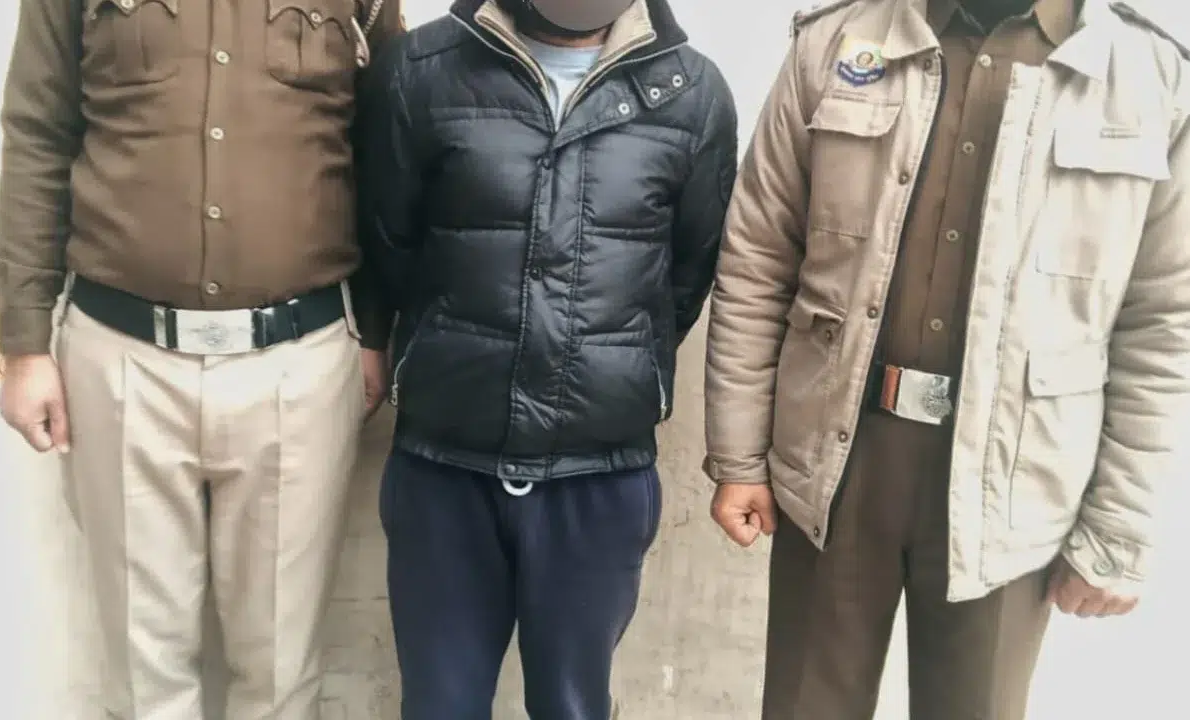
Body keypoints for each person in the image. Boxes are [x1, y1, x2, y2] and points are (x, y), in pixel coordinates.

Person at [704, 0, 1190, 718]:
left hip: (1014, 487)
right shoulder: (837, 40)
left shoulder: (1151, 74)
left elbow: (1164, 321)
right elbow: (758, 256)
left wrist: (1118, 526)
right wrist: (740, 457)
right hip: (835, 467)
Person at [0, 1, 403, 717]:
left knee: (280, 676)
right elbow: (38, 133)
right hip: (121, 360)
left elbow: (383, 147)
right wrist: (25, 343)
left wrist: (374, 330)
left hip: (298, 362)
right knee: (143, 676)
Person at [351, 0, 737, 717]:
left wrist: (608, 367)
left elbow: (685, 274)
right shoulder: (421, 70)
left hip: (599, 477)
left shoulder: (692, 92)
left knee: (573, 706)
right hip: (444, 468)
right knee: (439, 706)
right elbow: (386, 240)